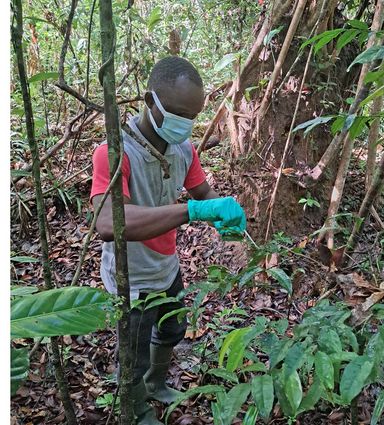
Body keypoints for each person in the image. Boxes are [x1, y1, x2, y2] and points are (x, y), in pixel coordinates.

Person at [90, 56, 246, 424]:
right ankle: (136, 406)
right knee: (134, 353)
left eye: (192, 116)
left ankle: (157, 383)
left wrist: (222, 210)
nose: (185, 124)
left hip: (167, 265)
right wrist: (191, 212)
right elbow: (109, 222)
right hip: (134, 278)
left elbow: (202, 190)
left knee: (173, 327)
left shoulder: (183, 149)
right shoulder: (115, 153)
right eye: (177, 113)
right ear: (149, 100)